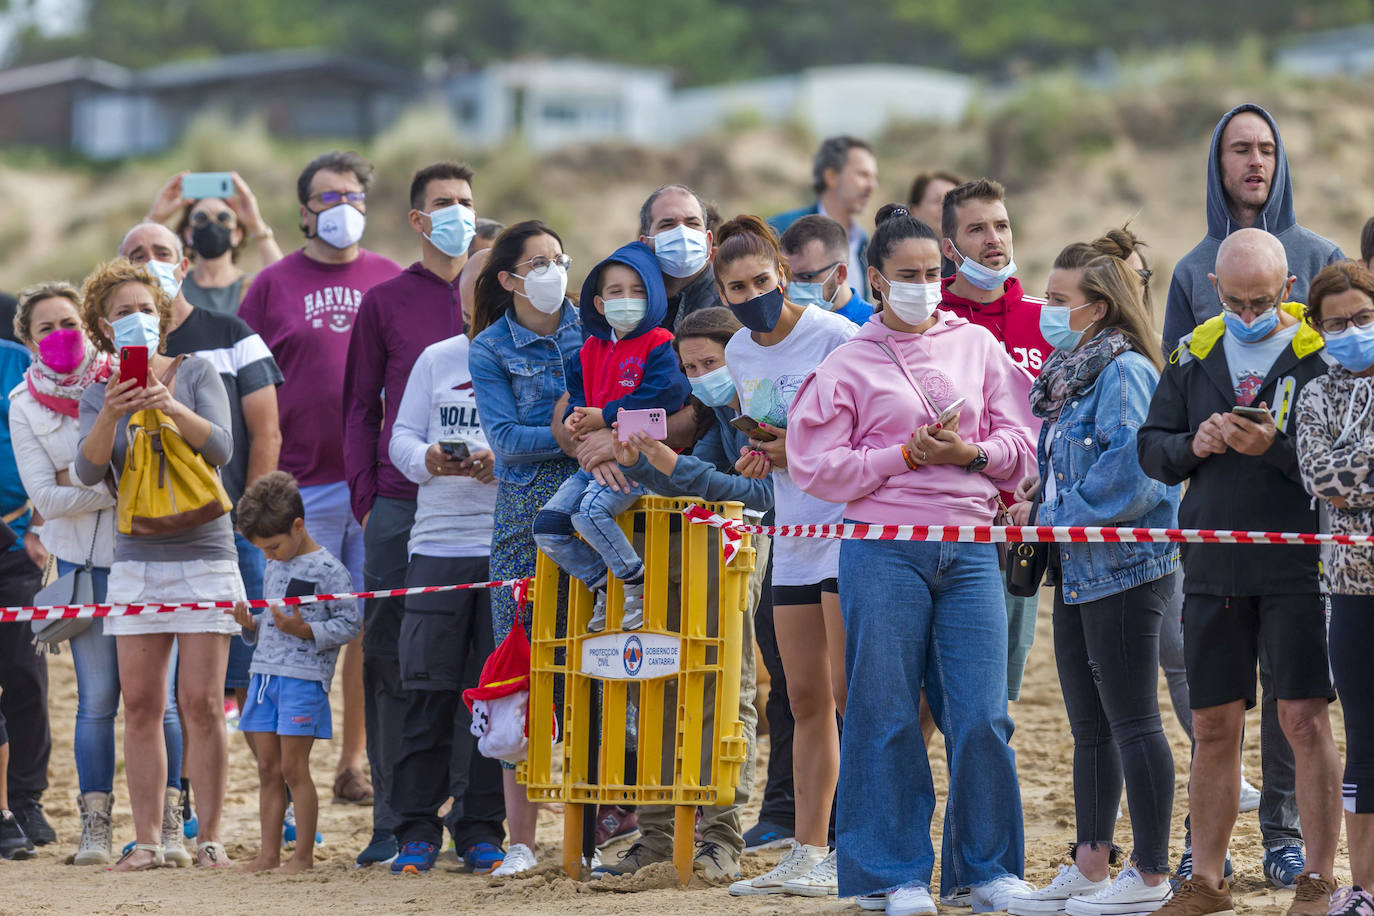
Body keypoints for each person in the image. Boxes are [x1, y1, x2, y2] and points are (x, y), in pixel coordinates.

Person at [786, 204, 1036, 914]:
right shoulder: (846, 362)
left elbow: (1021, 443)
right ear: (874, 278)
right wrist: (902, 454)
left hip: (970, 546)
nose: (923, 286)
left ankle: (986, 870)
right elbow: (815, 465)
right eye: (907, 275)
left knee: (983, 712)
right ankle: (890, 876)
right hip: (883, 550)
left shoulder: (979, 349)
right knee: (884, 711)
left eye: (932, 273)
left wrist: (973, 454)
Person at [1138, 228, 1342, 916]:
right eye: (1236, 300)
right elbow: (1151, 448)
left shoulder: (1319, 355)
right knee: (1214, 723)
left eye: (1262, 300)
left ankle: (1316, 879)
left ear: (1288, 291)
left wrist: (1276, 448)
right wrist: (1189, 444)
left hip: (1297, 560)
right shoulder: (1193, 353)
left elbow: (1338, 465)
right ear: (1214, 292)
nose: (1249, 312)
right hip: (1211, 562)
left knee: (1305, 719)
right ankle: (1208, 881)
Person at [1005, 250, 1179, 916]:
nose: (1047, 312)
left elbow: (1130, 477)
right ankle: (1091, 863)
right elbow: (1082, 466)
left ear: (1097, 307)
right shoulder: (1073, 376)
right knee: (1090, 729)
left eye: (1058, 299)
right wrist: (1043, 488)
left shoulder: (1126, 372)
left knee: (1134, 722)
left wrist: (1047, 510)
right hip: (1077, 567)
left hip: (1127, 569)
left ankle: (1152, 873)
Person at [238, 150, 401, 827]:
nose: (343, 208)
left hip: (376, 481)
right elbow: (244, 389)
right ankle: (290, 767)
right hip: (300, 489)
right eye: (328, 198)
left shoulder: (391, 279)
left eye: (353, 195)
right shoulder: (271, 286)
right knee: (297, 629)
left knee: (367, 626)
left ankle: (354, 764)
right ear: (304, 211)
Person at [8, 281, 187, 866]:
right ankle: (95, 830)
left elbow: (160, 468)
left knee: (160, 704)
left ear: (89, 327)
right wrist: (111, 486)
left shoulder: (133, 379)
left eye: (68, 323)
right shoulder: (23, 403)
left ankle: (168, 826)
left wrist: (77, 479)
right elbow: (43, 498)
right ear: (27, 341)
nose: (61, 336)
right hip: (84, 569)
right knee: (96, 702)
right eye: (45, 328)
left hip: (153, 558)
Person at [75, 258, 243, 869]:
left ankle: (210, 838)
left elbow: (223, 448)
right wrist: (111, 411)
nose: (138, 320)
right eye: (123, 313)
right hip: (137, 556)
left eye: (146, 309)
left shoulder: (195, 371)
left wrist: (168, 405)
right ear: (102, 324)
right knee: (141, 704)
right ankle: (147, 840)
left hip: (205, 549)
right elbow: (90, 470)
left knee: (201, 703)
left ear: (164, 315)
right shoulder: (99, 389)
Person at [709, 214, 857, 899]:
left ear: (783, 271)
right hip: (790, 534)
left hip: (849, 531)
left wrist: (788, 450)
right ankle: (809, 851)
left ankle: (864, 842)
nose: (752, 295)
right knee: (802, 699)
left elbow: (869, 431)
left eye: (761, 280)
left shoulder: (837, 336)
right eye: (736, 287)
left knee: (854, 695)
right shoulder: (738, 351)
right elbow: (770, 441)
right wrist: (760, 451)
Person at [599, 306, 774, 883]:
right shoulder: (710, 414)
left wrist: (665, 464)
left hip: (734, 554)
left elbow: (754, 493)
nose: (701, 372)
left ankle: (722, 838)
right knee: (656, 680)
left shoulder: (761, 406)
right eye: (691, 365)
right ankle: (655, 835)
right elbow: (691, 476)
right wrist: (642, 464)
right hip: (679, 550)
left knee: (728, 691)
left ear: (740, 355)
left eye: (711, 361)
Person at [341, 162, 478, 858]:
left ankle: (468, 822)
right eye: (443, 204)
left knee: (473, 668)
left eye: (466, 202)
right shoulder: (386, 301)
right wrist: (367, 500)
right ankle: (391, 822)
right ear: (418, 220)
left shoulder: (499, 293)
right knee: (394, 663)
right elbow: (362, 409)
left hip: (482, 515)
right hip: (400, 509)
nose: (457, 213)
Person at [118, 222, 284, 753]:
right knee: (171, 695)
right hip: (149, 536)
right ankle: (183, 798)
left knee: (249, 678)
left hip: (229, 528)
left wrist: (252, 521)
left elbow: (266, 433)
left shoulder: (233, 333)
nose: (151, 262)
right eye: (137, 255)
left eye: (161, 252)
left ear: (184, 264)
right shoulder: (121, 349)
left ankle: (273, 800)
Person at [469, 220, 583, 877]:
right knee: (519, 675)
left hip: (601, 513)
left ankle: (591, 831)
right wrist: (569, 435)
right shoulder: (489, 349)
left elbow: (630, 412)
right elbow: (507, 442)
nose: (553, 270)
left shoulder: (593, 329)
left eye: (560, 258)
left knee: (594, 666)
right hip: (522, 520)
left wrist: (584, 435)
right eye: (538, 261)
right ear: (509, 278)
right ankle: (522, 841)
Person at [385, 313, 506, 876]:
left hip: (508, 549)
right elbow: (401, 439)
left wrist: (498, 462)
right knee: (427, 692)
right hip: (437, 545)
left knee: (494, 697)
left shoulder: (541, 355)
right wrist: (427, 459)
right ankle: (414, 828)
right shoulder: (436, 357)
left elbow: (555, 442)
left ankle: (481, 828)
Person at [532, 241, 690, 632]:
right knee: (548, 527)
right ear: (600, 304)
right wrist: (576, 422)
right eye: (616, 292)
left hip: (642, 460)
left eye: (638, 291)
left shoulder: (661, 344)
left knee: (588, 514)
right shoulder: (587, 350)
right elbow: (579, 400)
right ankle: (604, 582)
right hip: (596, 461)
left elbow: (667, 396)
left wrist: (605, 416)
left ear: (654, 297)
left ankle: (633, 584)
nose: (628, 300)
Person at [939, 177, 1050, 715]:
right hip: (942, 526)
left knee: (994, 701)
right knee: (925, 696)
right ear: (949, 246)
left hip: (1021, 532)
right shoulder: (926, 322)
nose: (993, 240)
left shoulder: (1047, 319)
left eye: (1001, 226)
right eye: (976, 228)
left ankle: (973, 802)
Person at [1294, 260, 1374, 916]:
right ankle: (1367, 887)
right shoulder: (1316, 394)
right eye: (1337, 323)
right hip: (1350, 589)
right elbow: (1319, 476)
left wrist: (1353, 472)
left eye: (1363, 318)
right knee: (1365, 737)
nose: (1350, 330)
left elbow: (1341, 473)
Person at [232, 472, 361, 873]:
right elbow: (275, 621)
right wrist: (251, 624)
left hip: (304, 680)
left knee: (293, 768)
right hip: (264, 676)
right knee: (267, 768)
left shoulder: (329, 569)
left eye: (273, 546)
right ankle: (268, 855)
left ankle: (302, 856)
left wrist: (304, 629)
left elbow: (351, 624)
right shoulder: (275, 562)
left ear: (298, 526)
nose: (269, 555)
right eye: (262, 550)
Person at [1162, 104, 1344, 353]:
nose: (1256, 161)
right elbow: (1176, 377)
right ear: (1218, 162)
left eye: (1267, 151)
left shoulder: (1324, 258)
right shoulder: (1189, 273)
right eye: (1242, 150)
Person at [0, 290, 54, 851]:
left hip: (13, 542)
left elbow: (46, 433)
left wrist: (39, 524)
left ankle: (26, 799)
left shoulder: (16, 361)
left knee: (23, 671)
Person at [145, 171, 285, 314]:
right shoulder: (173, 289)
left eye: (223, 218)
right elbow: (129, 280)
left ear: (237, 234)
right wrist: (154, 218)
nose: (212, 224)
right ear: (188, 234)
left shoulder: (251, 289)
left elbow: (285, 288)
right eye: (201, 218)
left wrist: (256, 224)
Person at [768, 136, 878, 298]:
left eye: (874, 177)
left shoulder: (862, 241)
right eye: (863, 175)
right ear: (831, 176)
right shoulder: (779, 230)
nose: (872, 186)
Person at [638, 184, 722, 331]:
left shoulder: (732, 301)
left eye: (693, 223)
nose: (682, 232)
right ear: (645, 243)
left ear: (708, 240)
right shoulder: (631, 304)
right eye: (667, 224)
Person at [780, 215, 874, 325]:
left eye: (807, 277)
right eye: (787, 275)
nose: (793, 288)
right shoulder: (783, 327)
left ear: (840, 274)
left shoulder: (876, 327)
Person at [908, 170, 962, 276]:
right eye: (936, 200)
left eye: (952, 201)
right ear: (914, 210)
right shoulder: (900, 258)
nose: (945, 207)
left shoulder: (969, 262)